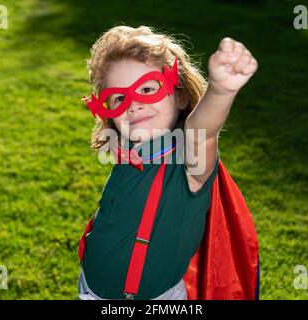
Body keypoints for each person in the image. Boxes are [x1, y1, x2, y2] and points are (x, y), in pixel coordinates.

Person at [78, 25, 258, 300]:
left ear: (180, 94)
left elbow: (202, 131)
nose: (134, 104)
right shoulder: (129, 146)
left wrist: (220, 90)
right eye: (119, 98)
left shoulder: (189, 163)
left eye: (148, 88)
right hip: (90, 288)